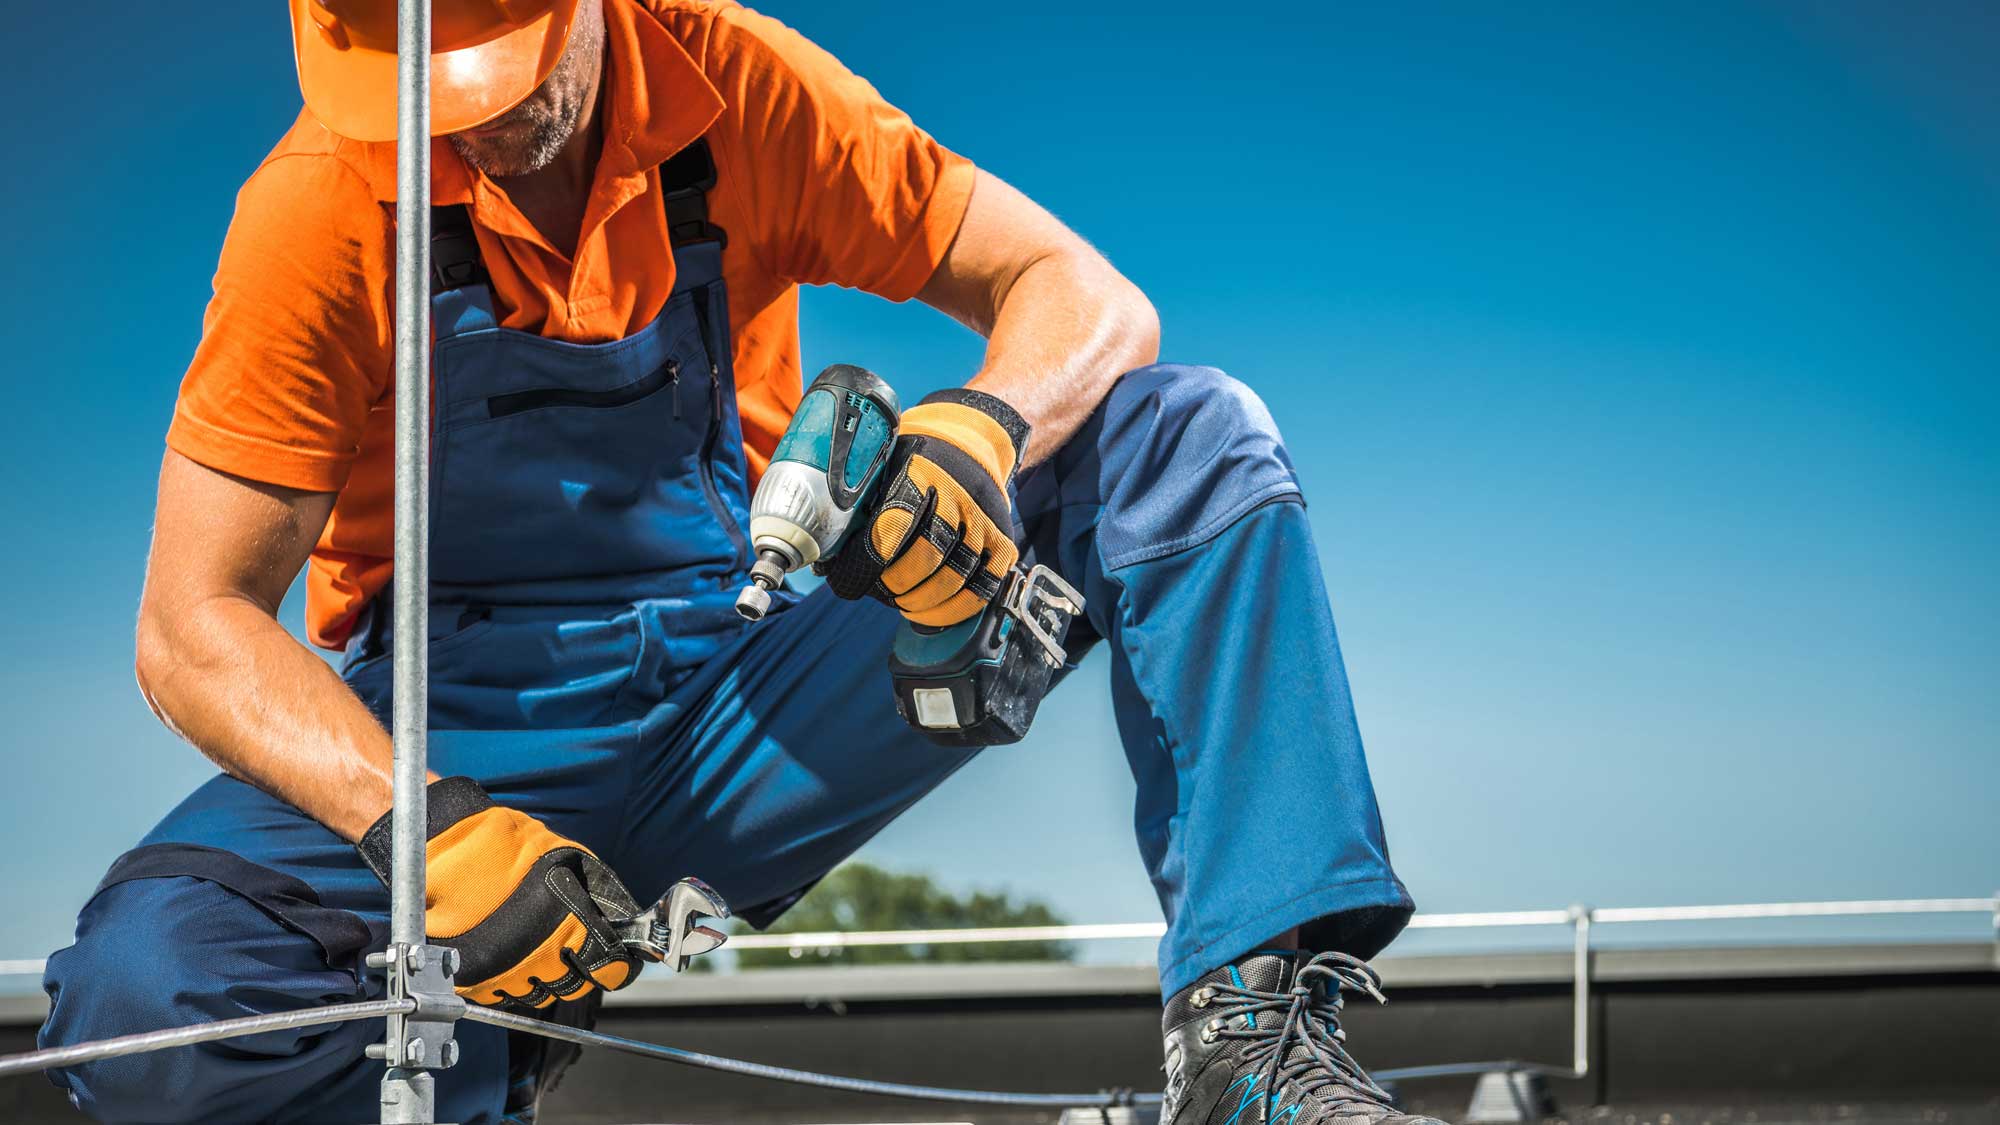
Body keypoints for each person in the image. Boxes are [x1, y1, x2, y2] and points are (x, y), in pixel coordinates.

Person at [37, 2, 1437, 1122]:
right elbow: (192, 622)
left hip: (740, 689)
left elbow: (1082, 294)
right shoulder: (319, 209)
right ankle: (488, 1059)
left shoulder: (739, 88)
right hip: (444, 725)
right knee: (142, 1004)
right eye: (442, 94)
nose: (487, 122)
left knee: (1187, 433)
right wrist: (420, 825)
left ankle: (1248, 1047)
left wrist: (984, 433)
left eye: (513, 66)